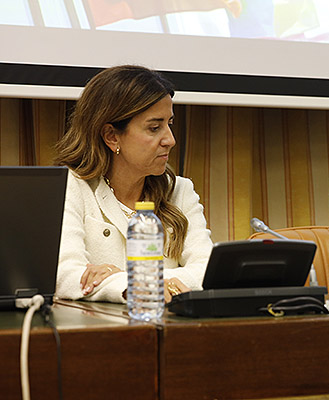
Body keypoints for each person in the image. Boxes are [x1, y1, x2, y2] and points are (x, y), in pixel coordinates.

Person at [54, 65, 213, 303]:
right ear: (112, 136)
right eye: (154, 127)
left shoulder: (179, 190)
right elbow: (66, 276)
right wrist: (138, 284)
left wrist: (130, 279)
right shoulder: (70, 187)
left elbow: (207, 272)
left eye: (169, 123)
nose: (170, 140)